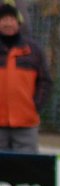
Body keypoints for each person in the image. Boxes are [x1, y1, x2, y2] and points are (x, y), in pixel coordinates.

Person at [0, 2, 51, 153]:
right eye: (3, 19)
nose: (8, 23)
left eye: (11, 19)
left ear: (19, 23)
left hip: (26, 125)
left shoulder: (34, 50)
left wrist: (34, 106)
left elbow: (45, 82)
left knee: (26, 165)